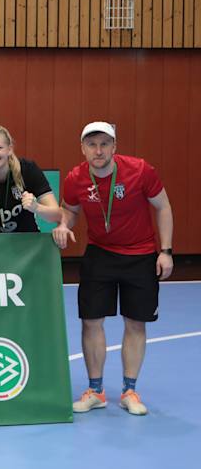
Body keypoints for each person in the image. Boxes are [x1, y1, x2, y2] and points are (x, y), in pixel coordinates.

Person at [53, 122, 174, 417]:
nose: (98, 151)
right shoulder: (75, 178)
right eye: (92, 145)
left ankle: (129, 391)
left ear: (114, 147)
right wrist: (64, 225)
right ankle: (95, 391)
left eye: (104, 144)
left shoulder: (140, 170)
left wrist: (166, 251)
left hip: (141, 255)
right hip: (100, 255)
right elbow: (70, 210)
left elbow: (163, 207)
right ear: (83, 149)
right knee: (91, 321)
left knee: (135, 323)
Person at [0, 125, 61, 233]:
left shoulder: (28, 169)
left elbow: (56, 216)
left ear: (9, 149)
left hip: (28, 240)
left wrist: (36, 207)